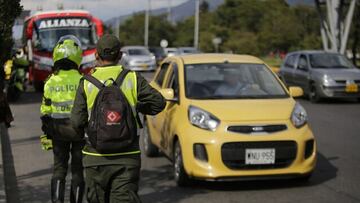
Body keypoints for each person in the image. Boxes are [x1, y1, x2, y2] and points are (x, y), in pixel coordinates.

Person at [71, 34, 166, 203]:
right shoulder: (133, 78)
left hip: (95, 157)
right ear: (120, 56)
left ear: (96, 56)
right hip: (127, 156)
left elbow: (77, 121)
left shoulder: (86, 82)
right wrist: (137, 108)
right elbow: (158, 103)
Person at [40, 35, 85, 203]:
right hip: (79, 133)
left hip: (58, 132)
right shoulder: (83, 81)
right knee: (78, 172)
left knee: (59, 170)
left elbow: (45, 112)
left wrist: (46, 134)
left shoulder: (51, 81)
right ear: (77, 56)